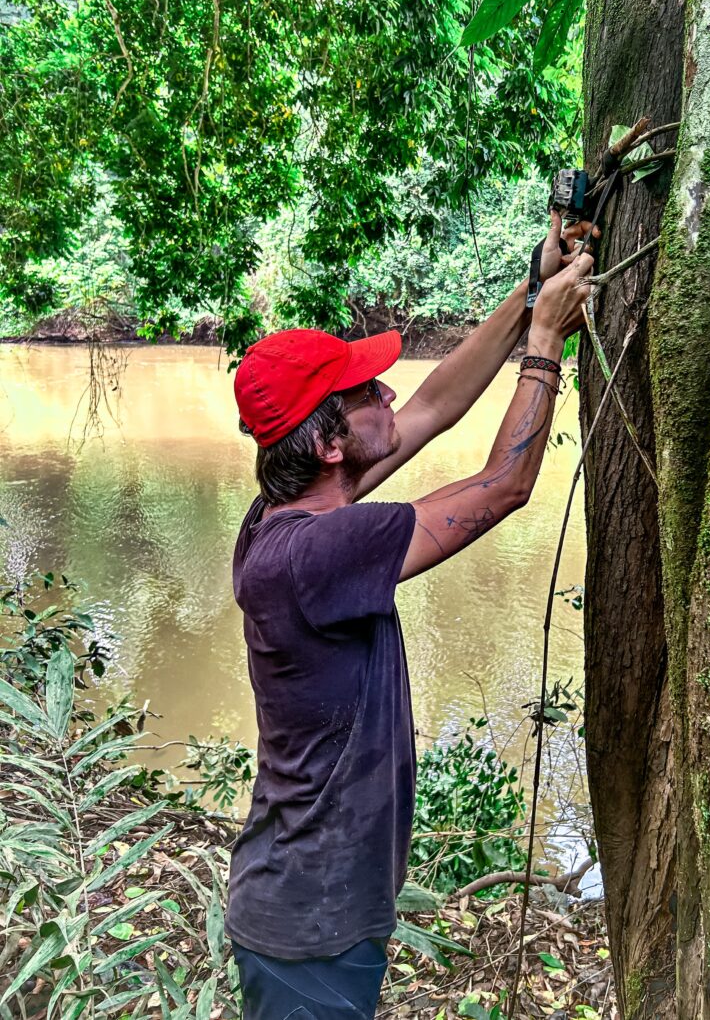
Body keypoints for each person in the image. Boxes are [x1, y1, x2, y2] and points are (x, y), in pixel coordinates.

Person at [228, 212, 596, 1019]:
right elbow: (503, 486)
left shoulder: (281, 515)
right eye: (363, 392)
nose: (387, 390)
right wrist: (545, 345)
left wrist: (532, 290)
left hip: (305, 912)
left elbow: (431, 406)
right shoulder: (319, 553)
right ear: (329, 442)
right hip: (309, 934)